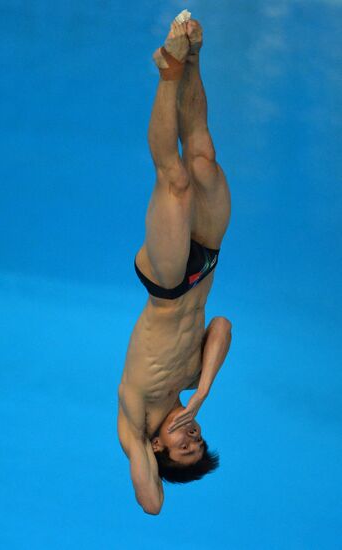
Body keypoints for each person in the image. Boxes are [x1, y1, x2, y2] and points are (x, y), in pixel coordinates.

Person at [117, 16, 232, 515]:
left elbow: (152, 504)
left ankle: (168, 73)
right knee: (203, 157)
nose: (194, 437)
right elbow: (223, 325)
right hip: (203, 267)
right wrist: (202, 392)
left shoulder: (136, 421)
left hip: (165, 283)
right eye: (201, 442)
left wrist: (150, 452)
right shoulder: (190, 380)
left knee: (177, 179)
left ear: (159, 450)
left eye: (186, 447)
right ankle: (194, 58)